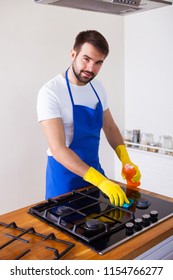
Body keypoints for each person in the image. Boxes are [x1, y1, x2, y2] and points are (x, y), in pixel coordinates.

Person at [37, 30, 141, 206]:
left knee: (99, 228)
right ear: (73, 54)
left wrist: (125, 160)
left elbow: (109, 127)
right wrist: (100, 181)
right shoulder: (51, 92)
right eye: (86, 59)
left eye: (98, 62)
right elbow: (58, 148)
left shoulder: (97, 88)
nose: (91, 69)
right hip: (65, 180)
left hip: (95, 173)